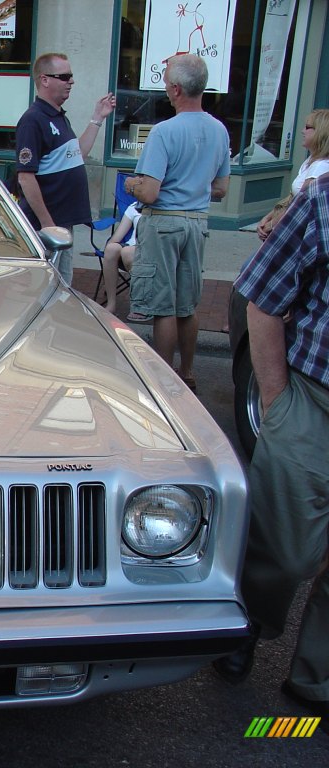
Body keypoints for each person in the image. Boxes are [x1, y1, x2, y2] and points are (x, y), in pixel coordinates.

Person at [211, 174, 329, 719]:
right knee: (286, 549)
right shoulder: (322, 198)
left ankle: (313, 681)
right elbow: (262, 302)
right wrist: (278, 403)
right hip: (313, 400)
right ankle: (248, 624)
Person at [123, 54, 230, 391]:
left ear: (176, 89)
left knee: (163, 306)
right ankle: (187, 372)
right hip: (196, 222)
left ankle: (163, 378)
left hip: (165, 221)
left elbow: (150, 193)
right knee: (187, 305)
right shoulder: (219, 130)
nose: (166, 88)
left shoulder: (164, 132)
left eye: (167, 81)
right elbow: (222, 189)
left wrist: (131, 184)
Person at [15, 52, 116, 284]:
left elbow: (77, 155)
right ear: (45, 80)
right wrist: (48, 225)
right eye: (64, 76)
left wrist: (97, 118)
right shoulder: (33, 120)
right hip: (47, 226)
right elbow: (26, 178)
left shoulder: (58, 117)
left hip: (63, 223)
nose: (71, 81)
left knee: (62, 289)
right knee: (43, 290)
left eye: (71, 76)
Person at [255, 108, 329, 241]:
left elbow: (299, 204)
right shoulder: (310, 161)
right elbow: (292, 197)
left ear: (321, 133)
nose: (302, 131)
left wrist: (272, 225)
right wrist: (269, 216)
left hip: (300, 236)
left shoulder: (320, 167)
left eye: (307, 127)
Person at [101, 202, 141, 313]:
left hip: (150, 251)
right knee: (111, 249)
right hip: (130, 248)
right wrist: (108, 246)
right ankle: (111, 304)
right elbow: (117, 237)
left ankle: (140, 304)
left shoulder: (163, 207)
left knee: (127, 252)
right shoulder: (134, 206)